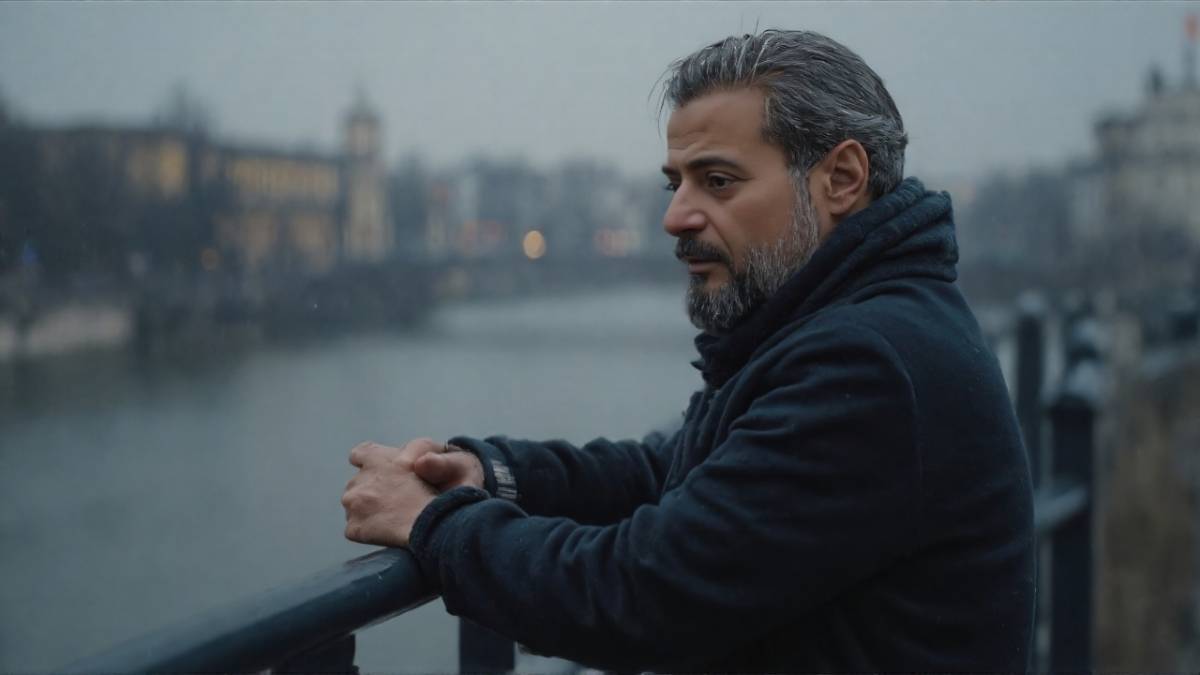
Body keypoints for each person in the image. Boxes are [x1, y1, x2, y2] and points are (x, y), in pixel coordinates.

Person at [341, 29, 1034, 672]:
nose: (674, 217)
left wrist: (433, 524)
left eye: (718, 181)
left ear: (841, 179)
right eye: (676, 183)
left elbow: (642, 593)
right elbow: (672, 473)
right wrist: (492, 473)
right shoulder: (840, 325)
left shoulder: (869, 364)